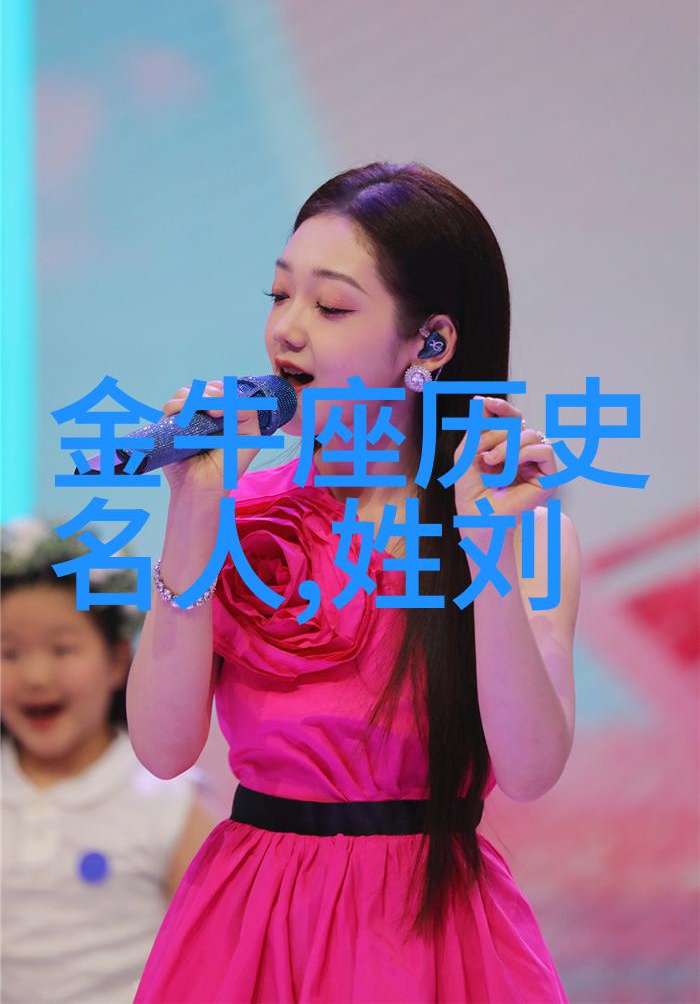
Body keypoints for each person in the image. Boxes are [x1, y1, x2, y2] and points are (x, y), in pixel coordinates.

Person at [131, 160, 581, 1003]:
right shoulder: (243, 510)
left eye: (331, 307)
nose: (287, 331)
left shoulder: (516, 520)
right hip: (251, 926)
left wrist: (485, 545)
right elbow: (162, 749)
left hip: (430, 930)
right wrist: (194, 509)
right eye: (279, 296)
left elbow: (529, 768)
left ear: (430, 343)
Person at [0, 518, 219, 1004]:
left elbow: (215, 947)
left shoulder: (166, 799)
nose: (35, 676)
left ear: (118, 660)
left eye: (62, 649)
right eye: (9, 653)